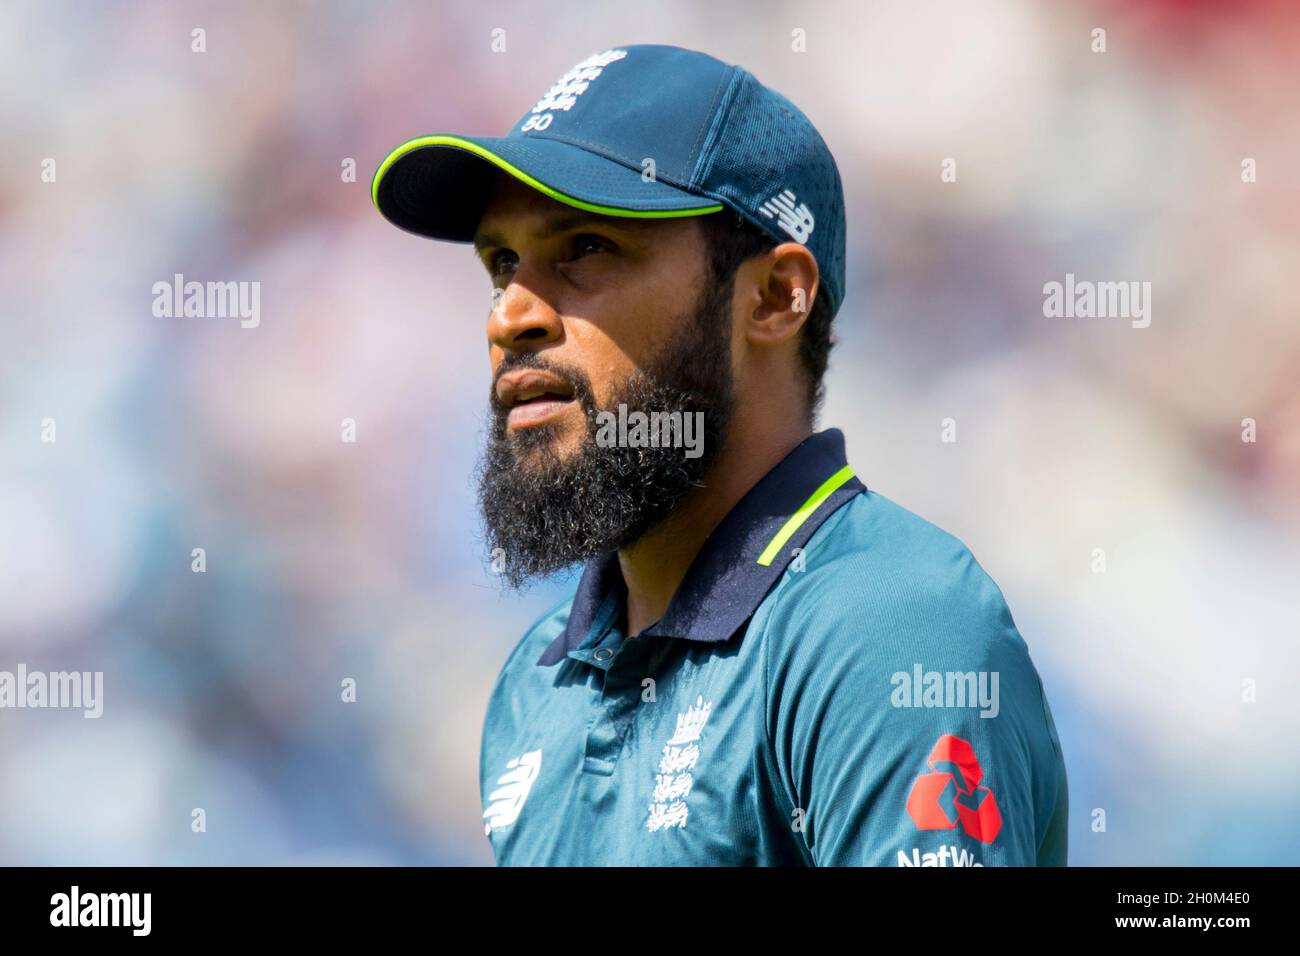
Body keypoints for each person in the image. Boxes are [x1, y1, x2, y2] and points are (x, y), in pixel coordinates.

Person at [372, 43, 1068, 865]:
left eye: (587, 248)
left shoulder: (888, 632)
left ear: (775, 297)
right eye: (502, 264)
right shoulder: (537, 685)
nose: (510, 316)